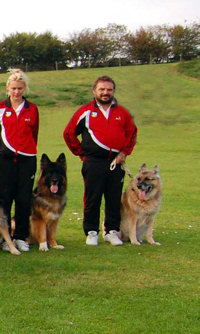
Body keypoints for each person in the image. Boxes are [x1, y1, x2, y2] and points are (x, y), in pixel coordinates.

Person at [63, 75, 137, 246]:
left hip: (115, 162)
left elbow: (131, 133)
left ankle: (111, 231)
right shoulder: (85, 111)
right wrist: (81, 153)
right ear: (94, 91)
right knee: (92, 198)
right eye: (102, 89)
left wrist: (124, 153)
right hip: (93, 162)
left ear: (113, 91)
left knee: (113, 197)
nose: (105, 93)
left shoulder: (122, 113)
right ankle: (91, 232)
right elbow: (69, 133)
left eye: (109, 90)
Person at [0, 69, 39, 252]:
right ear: (7, 88)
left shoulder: (32, 109)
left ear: (25, 89)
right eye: (14, 88)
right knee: (4, 200)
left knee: (23, 200)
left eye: (20, 89)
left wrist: (27, 152)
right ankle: (5, 239)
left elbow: (34, 135)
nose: (16, 92)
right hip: (4, 162)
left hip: (26, 161)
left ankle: (21, 237)